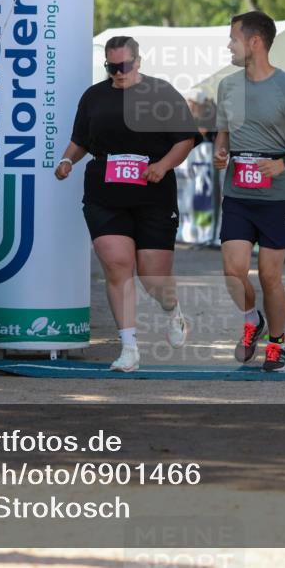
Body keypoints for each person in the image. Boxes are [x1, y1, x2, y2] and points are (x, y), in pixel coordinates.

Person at [56, 36, 197, 373]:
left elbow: (185, 139)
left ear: (138, 61)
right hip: (106, 194)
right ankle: (129, 347)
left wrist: (162, 166)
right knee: (118, 265)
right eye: (111, 67)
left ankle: (173, 311)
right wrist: (66, 161)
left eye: (124, 66)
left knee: (153, 276)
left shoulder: (161, 93)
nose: (118, 72)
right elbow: (81, 140)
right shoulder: (94, 97)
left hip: (153, 193)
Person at [212, 11, 285, 373]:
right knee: (232, 270)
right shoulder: (227, 86)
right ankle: (251, 320)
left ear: (254, 42)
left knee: (270, 276)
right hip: (239, 193)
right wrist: (220, 150)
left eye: (233, 38)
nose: (228, 45)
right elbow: (223, 132)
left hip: (278, 195)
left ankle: (276, 345)